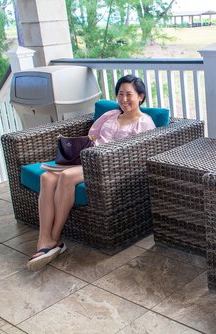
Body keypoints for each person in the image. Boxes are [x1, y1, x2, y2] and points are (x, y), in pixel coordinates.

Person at [27, 75, 156, 271]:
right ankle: (43, 240)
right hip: (86, 159)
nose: (124, 99)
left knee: (66, 176)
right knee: (46, 176)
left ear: (141, 97)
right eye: (120, 94)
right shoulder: (110, 115)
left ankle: (54, 239)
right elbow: (91, 137)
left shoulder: (145, 123)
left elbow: (141, 154)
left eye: (129, 94)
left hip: (110, 166)